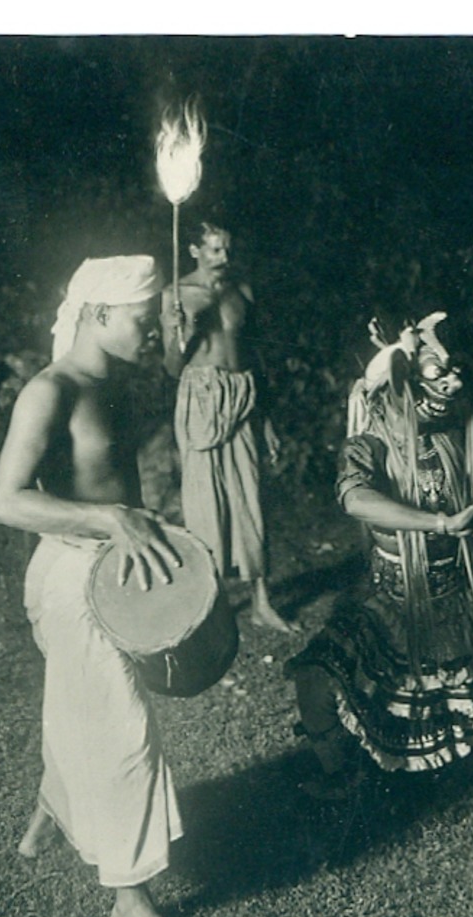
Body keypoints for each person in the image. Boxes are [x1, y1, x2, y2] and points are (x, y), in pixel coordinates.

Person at [285, 313, 473, 795]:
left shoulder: (454, 434)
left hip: (454, 588)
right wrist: (439, 523)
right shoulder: (370, 443)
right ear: (402, 385)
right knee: (316, 676)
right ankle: (340, 771)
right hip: (392, 592)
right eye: (437, 374)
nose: (452, 383)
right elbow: (354, 497)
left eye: (453, 373)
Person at [0, 255, 187, 917]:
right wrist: (109, 522)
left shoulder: (119, 385)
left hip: (114, 568)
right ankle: (129, 902)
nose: (154, 330)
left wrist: (146, 525)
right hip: (71, 575)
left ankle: (56, 801)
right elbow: (8, 502)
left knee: (85, 706)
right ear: (99, 314)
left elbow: (118, 487)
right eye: (144, 318)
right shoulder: (50, 391)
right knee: (120, 729)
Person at [162, 220, 296, 632]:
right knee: (206, 504)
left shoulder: (243, 293)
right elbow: (170, 368)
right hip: (202, 397)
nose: (224, 258)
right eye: (215, 250)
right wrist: (182, 331)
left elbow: (255, 359)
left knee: (250, 499)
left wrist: (267, 421)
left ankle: (261, 601)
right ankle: (212, 604)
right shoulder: (175, 295)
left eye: (228, 249)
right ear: (194, 251)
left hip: (243, 397)